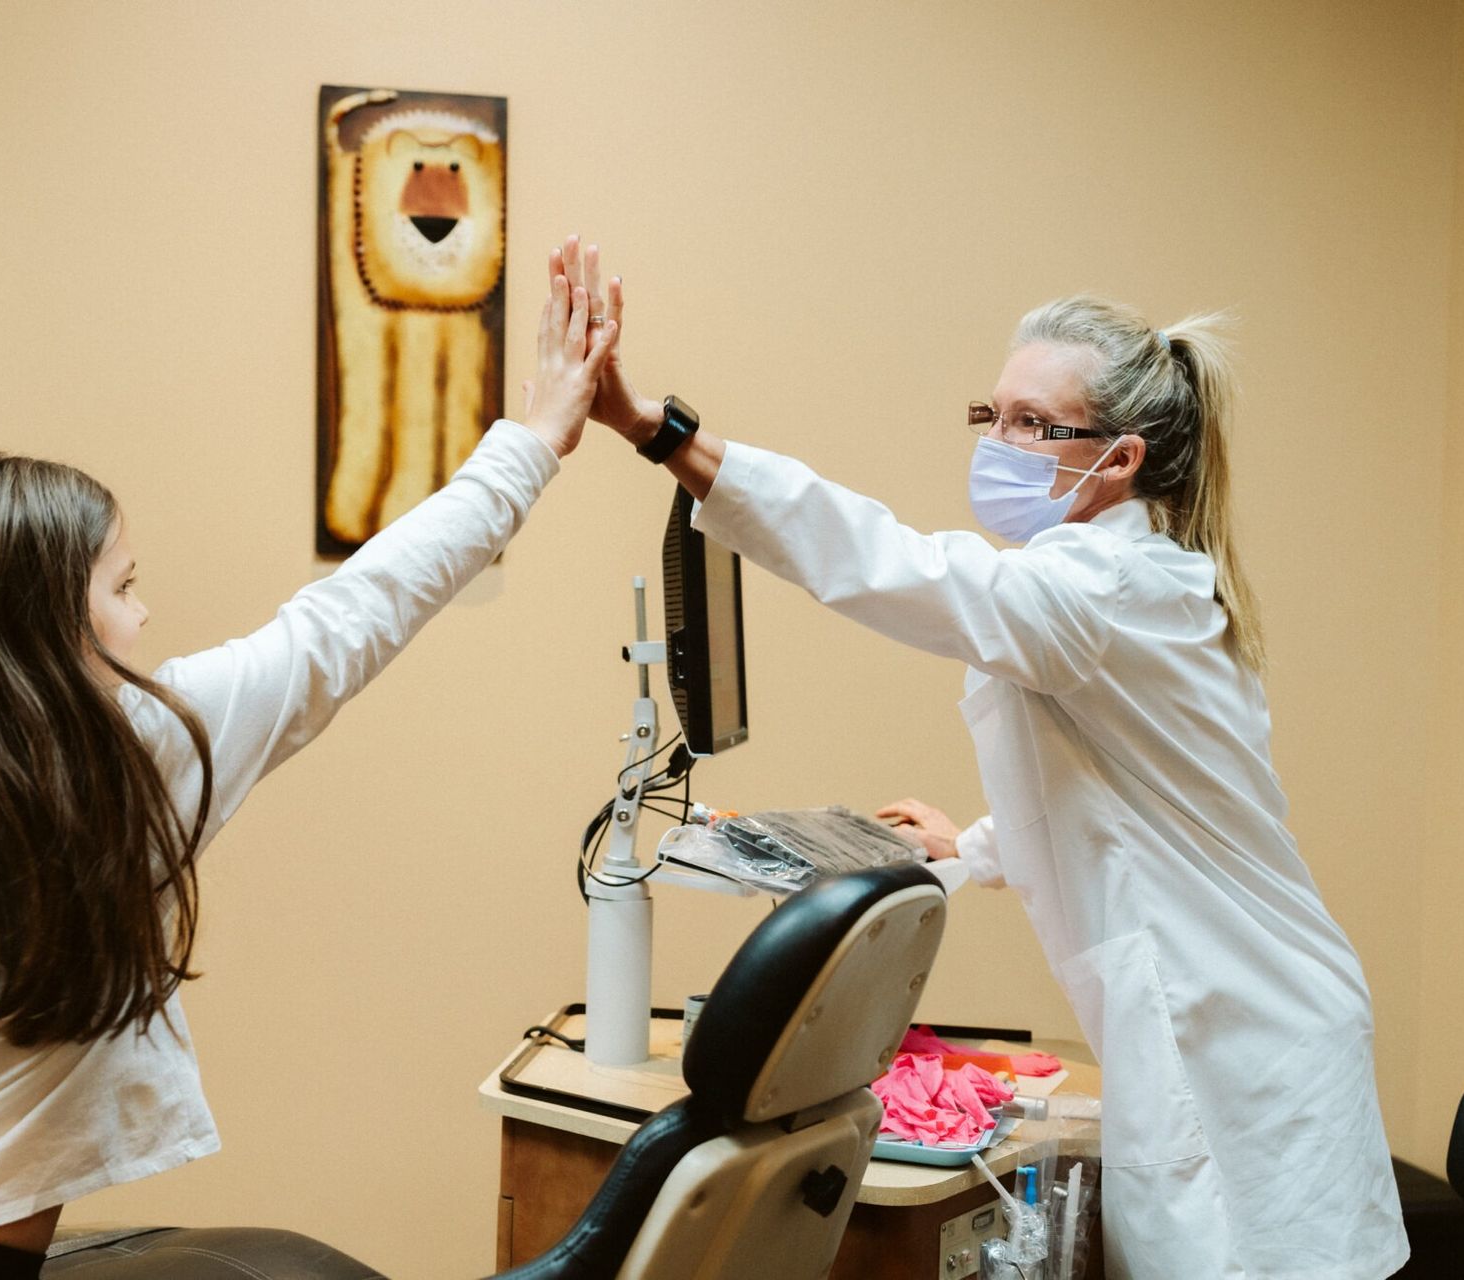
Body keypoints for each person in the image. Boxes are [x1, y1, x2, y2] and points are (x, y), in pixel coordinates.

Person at [0, 254, 617, 1280]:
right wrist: (534, 438)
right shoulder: (133, 763)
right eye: (124, 585)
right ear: (42, 626)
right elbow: (356, 616)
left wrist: (532, 439)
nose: (145, 612)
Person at [564, 237, 1409, 1279]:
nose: (1000, 441)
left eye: (1032, 424)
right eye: (993, 414)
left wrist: (662, 433)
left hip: (1242, 1047)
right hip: (1234, 1021)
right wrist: (968, 844)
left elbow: (894, 567)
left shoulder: (1102, 590)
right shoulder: (1122, 580)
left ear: (1121, 456)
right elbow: (1131, 795)